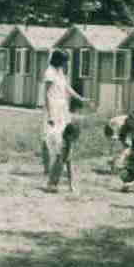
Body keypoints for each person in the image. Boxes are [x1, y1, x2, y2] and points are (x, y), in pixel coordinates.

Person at [43, 49, 90, 192]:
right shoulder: (49, 72)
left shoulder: (60, 72)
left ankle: (62, 176)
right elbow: (46, 94)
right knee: (52, 140)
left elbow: (67, 88)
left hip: (63, 108)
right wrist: (50, 114)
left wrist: (79, 98)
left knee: (66, 141)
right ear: (58, 60)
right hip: (53, 108)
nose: (66, 64)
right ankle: (49, 172)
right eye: (64, 61)